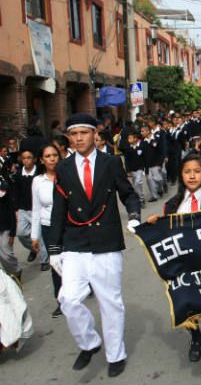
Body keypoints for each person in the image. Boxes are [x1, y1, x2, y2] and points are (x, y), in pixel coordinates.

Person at [46, 113, 141, 377]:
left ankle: (115, 355)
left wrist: (134, 216)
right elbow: (58, 209)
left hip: (106, 241)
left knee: (110, 302)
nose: (78, 138)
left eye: (83, 133)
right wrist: (54, 248)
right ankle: (89, 343)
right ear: (69, 137)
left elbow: (128, 193)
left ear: (94, 134)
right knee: (68, 299)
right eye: (73, 134)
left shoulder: (111, 162)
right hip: (75, 242)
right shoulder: (63, 168)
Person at [146, 153, 201, 379]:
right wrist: (154, 225)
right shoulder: (172, 204)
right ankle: (195, 336)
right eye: (187, 171)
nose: (192, 176)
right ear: (181, 174)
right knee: (186, 307)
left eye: (197, 171)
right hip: (183, 267)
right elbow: (166, 233)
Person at [31, 144, 63, 317]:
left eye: (54, 155)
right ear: (42, 160)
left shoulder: (66, 175)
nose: (52, 159)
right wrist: (34, 236)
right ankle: (61, 301)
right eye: (48, 156)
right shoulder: (37, 181)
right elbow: (36, 209)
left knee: (74, 259)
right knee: (55, 263)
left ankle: (81, 288)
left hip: (68, 225)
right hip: (48, 227)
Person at [13, 149, 40, 266]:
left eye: (29, 158)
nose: (26, 160)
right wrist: (16, 208)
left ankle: (45, 260)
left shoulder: (39, 172)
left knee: (41, 234)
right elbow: (16, 191)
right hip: (23, 208)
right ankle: (34, 248)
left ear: (34, 159)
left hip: (37, 208)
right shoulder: (19, 173)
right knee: (21, 233)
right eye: (24, 158)